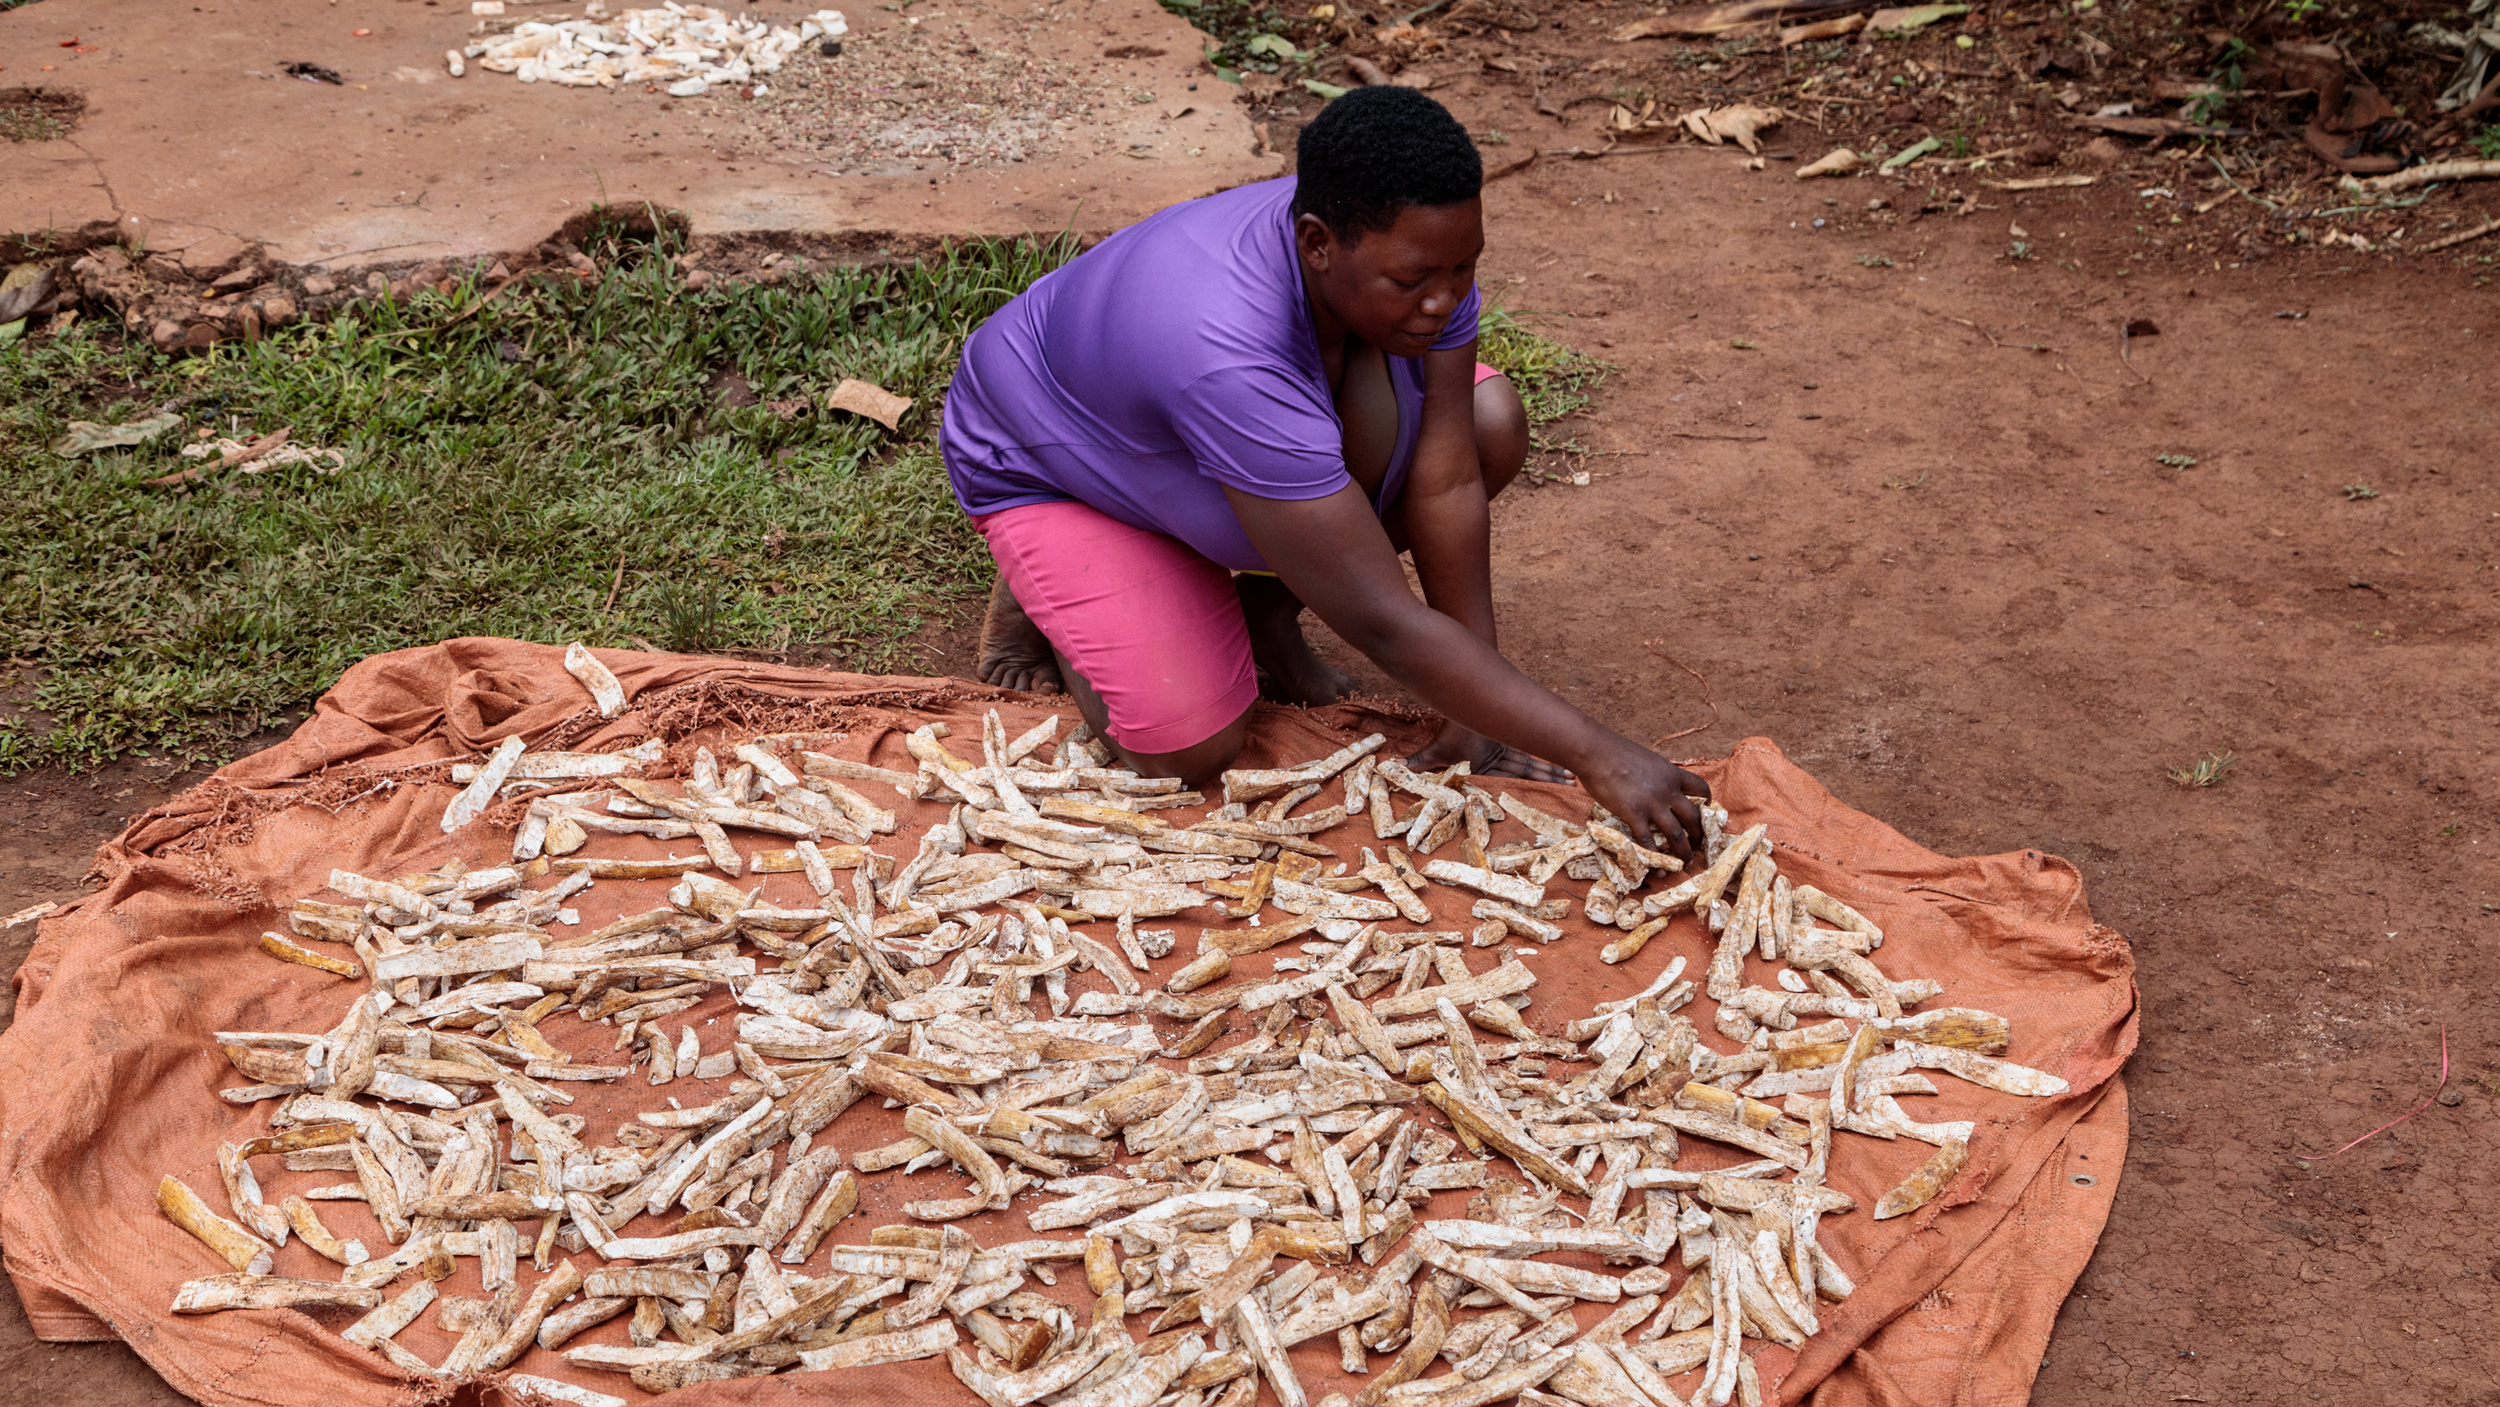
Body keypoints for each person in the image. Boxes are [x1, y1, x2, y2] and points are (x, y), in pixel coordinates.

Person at [941, 86, 1712, 856]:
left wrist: (1475, 723)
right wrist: (1596, 752)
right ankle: (1056, 588)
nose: (1445, 300)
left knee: (1488, 424)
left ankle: (1263, 616)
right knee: (1182, 745)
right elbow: (1380, 616)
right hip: (1055, 458)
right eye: (1416, 282)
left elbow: (1444, 481)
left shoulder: (1407, 248)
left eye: (1465, 268)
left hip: (1200, 426)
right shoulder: (1226, 347)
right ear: (1316, 245)